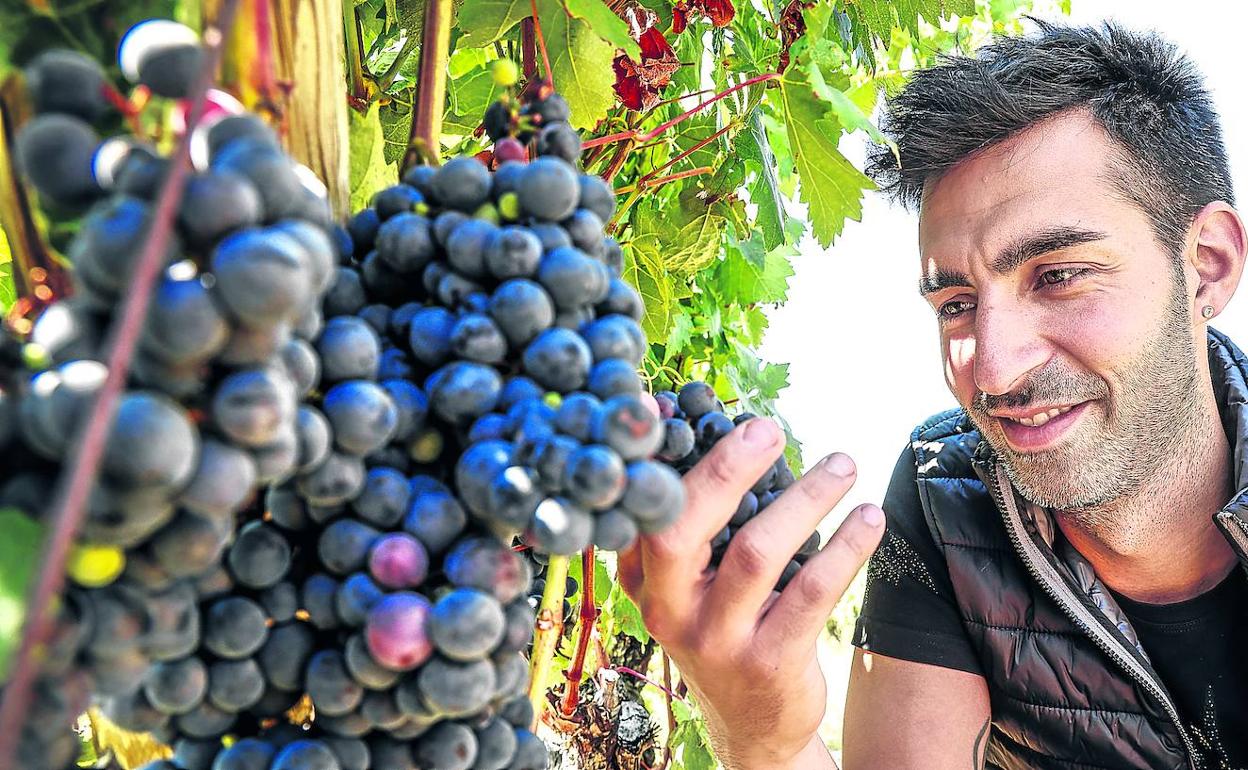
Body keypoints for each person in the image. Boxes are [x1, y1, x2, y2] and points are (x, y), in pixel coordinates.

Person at [619, 18, 1248, 770]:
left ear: (1207, 266)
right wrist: (765, 733)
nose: (992, 371)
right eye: (954, 302)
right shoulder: (945, 493)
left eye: (1059, 275)